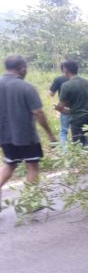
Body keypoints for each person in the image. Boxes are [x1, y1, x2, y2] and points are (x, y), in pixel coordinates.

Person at [0, 56, 57, 210]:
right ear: (22, 68)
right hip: (25, 136)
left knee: (9, 164)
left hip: (4, 136)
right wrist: (50, 134)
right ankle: (30, 203)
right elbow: (38, 112)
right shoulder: (26, 87)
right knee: (32, 166)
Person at [55, 61, 88, 145]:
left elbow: (61, 107)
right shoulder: (87, 82)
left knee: (78, 145)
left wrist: (57, 108)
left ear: (65, 70)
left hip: (77, 119)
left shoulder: (66, 85)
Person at [49, 67, 70, 144]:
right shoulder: (79, 80)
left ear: (64, 69)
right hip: (77, 109)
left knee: (64, 131)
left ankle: (64, 153)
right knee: (80, 132)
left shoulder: (59, 79)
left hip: (64, 108)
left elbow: (51, 94)